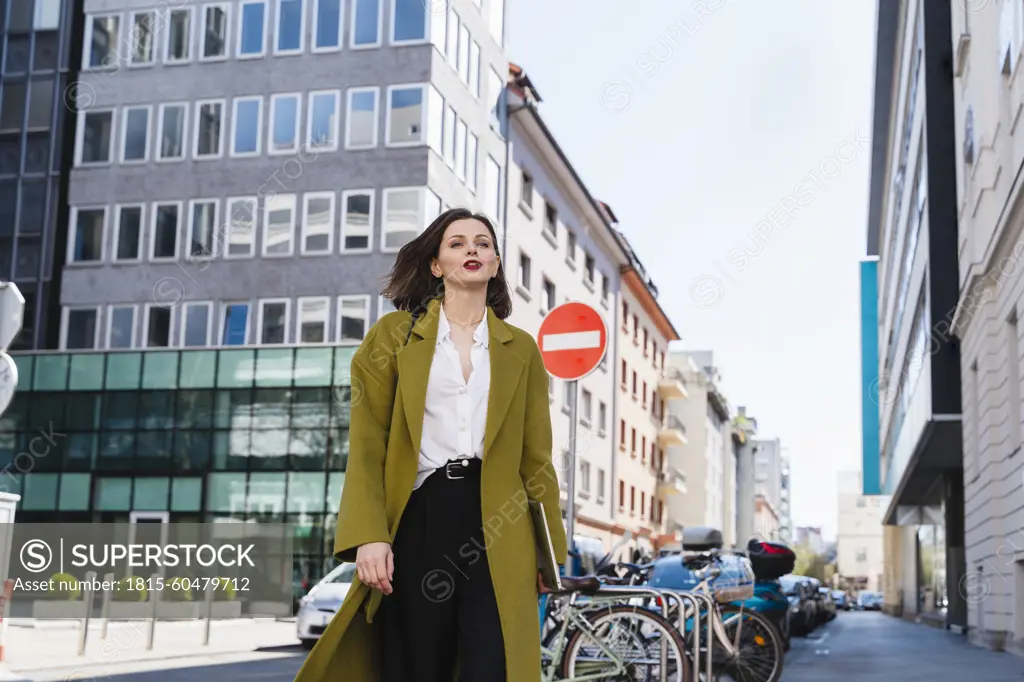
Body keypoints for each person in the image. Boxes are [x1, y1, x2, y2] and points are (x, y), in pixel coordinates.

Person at [293, 208, 568, 682]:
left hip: (500, 523)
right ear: (436, 265)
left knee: (494, 662)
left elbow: (536, 457)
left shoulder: (520, 348)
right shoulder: (393, 336)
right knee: (418, 662)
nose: (472, 251)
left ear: (497, 263)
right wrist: (369, 535)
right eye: (457, 243)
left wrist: (549, 555)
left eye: (482, 243)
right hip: (420, 516)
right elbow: (367, 444)